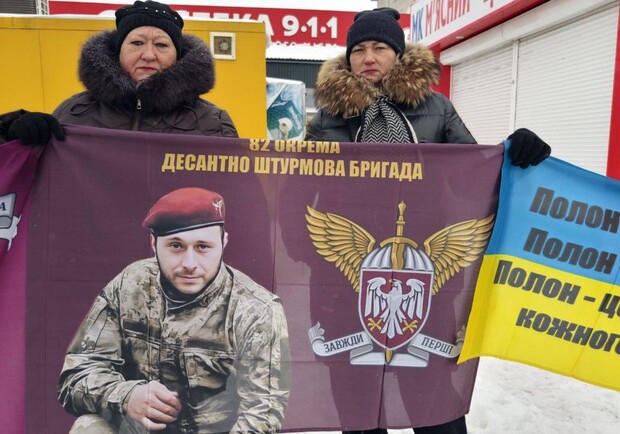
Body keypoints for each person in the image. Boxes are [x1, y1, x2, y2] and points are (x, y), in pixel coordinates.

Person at [306, 7, 551, 434]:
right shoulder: (328, 116)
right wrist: (305, 251)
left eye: (379, 47)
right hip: (347, 275)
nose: (368, 58)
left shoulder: (436, 108)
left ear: (398, 54)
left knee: (432, 395)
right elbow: (299, 184)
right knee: (355, 395)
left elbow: (473, 175)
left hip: (426, 271)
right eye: (358, 50)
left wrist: (514, 153)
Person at [58, 187, 290, 433]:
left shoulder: (257, 311)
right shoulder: (130, 285)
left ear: (223, 243)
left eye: (203, 247)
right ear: (153, 243)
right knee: (89, 427)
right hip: (139, 429)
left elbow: (262, 415)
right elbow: (77, 375)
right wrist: (126, 396)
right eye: (176, 246)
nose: (189, 263)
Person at [0, 0, 237, 146]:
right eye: (136, 43)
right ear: (118, 52)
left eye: (162, 45)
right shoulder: (74, 112)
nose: (148, 54)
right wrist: (11, 132)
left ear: (178, 56)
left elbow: (239, 194)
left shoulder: (212, 122)